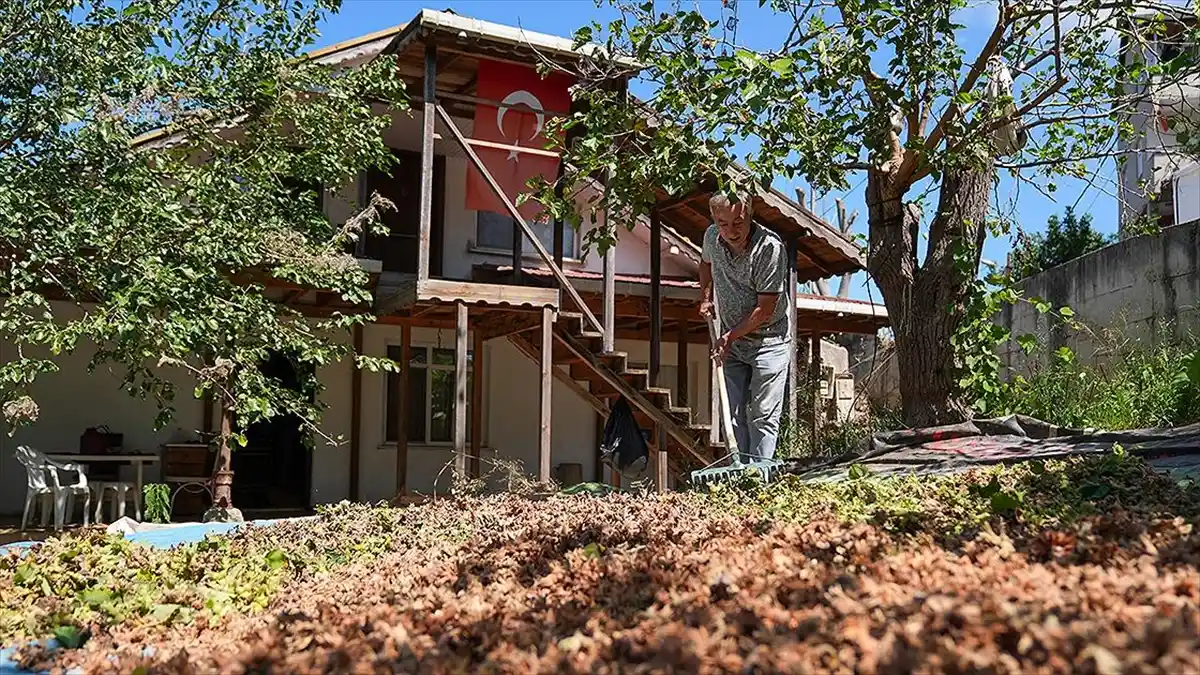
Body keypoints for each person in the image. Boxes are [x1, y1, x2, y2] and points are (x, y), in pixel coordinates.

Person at [699, 190, 792, 462]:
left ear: (750, 216)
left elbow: (765, 309)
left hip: (770, 341)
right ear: (715, 220)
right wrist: (705, 298)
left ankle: (760, 475)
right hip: (732, 342)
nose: (731, 231)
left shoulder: (770, 249)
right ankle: (740, 473)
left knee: (763, 414)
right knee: (732, 413)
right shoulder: (711, 238)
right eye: (723, 223)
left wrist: (728, 336)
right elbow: (705, 264)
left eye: (738, 222)